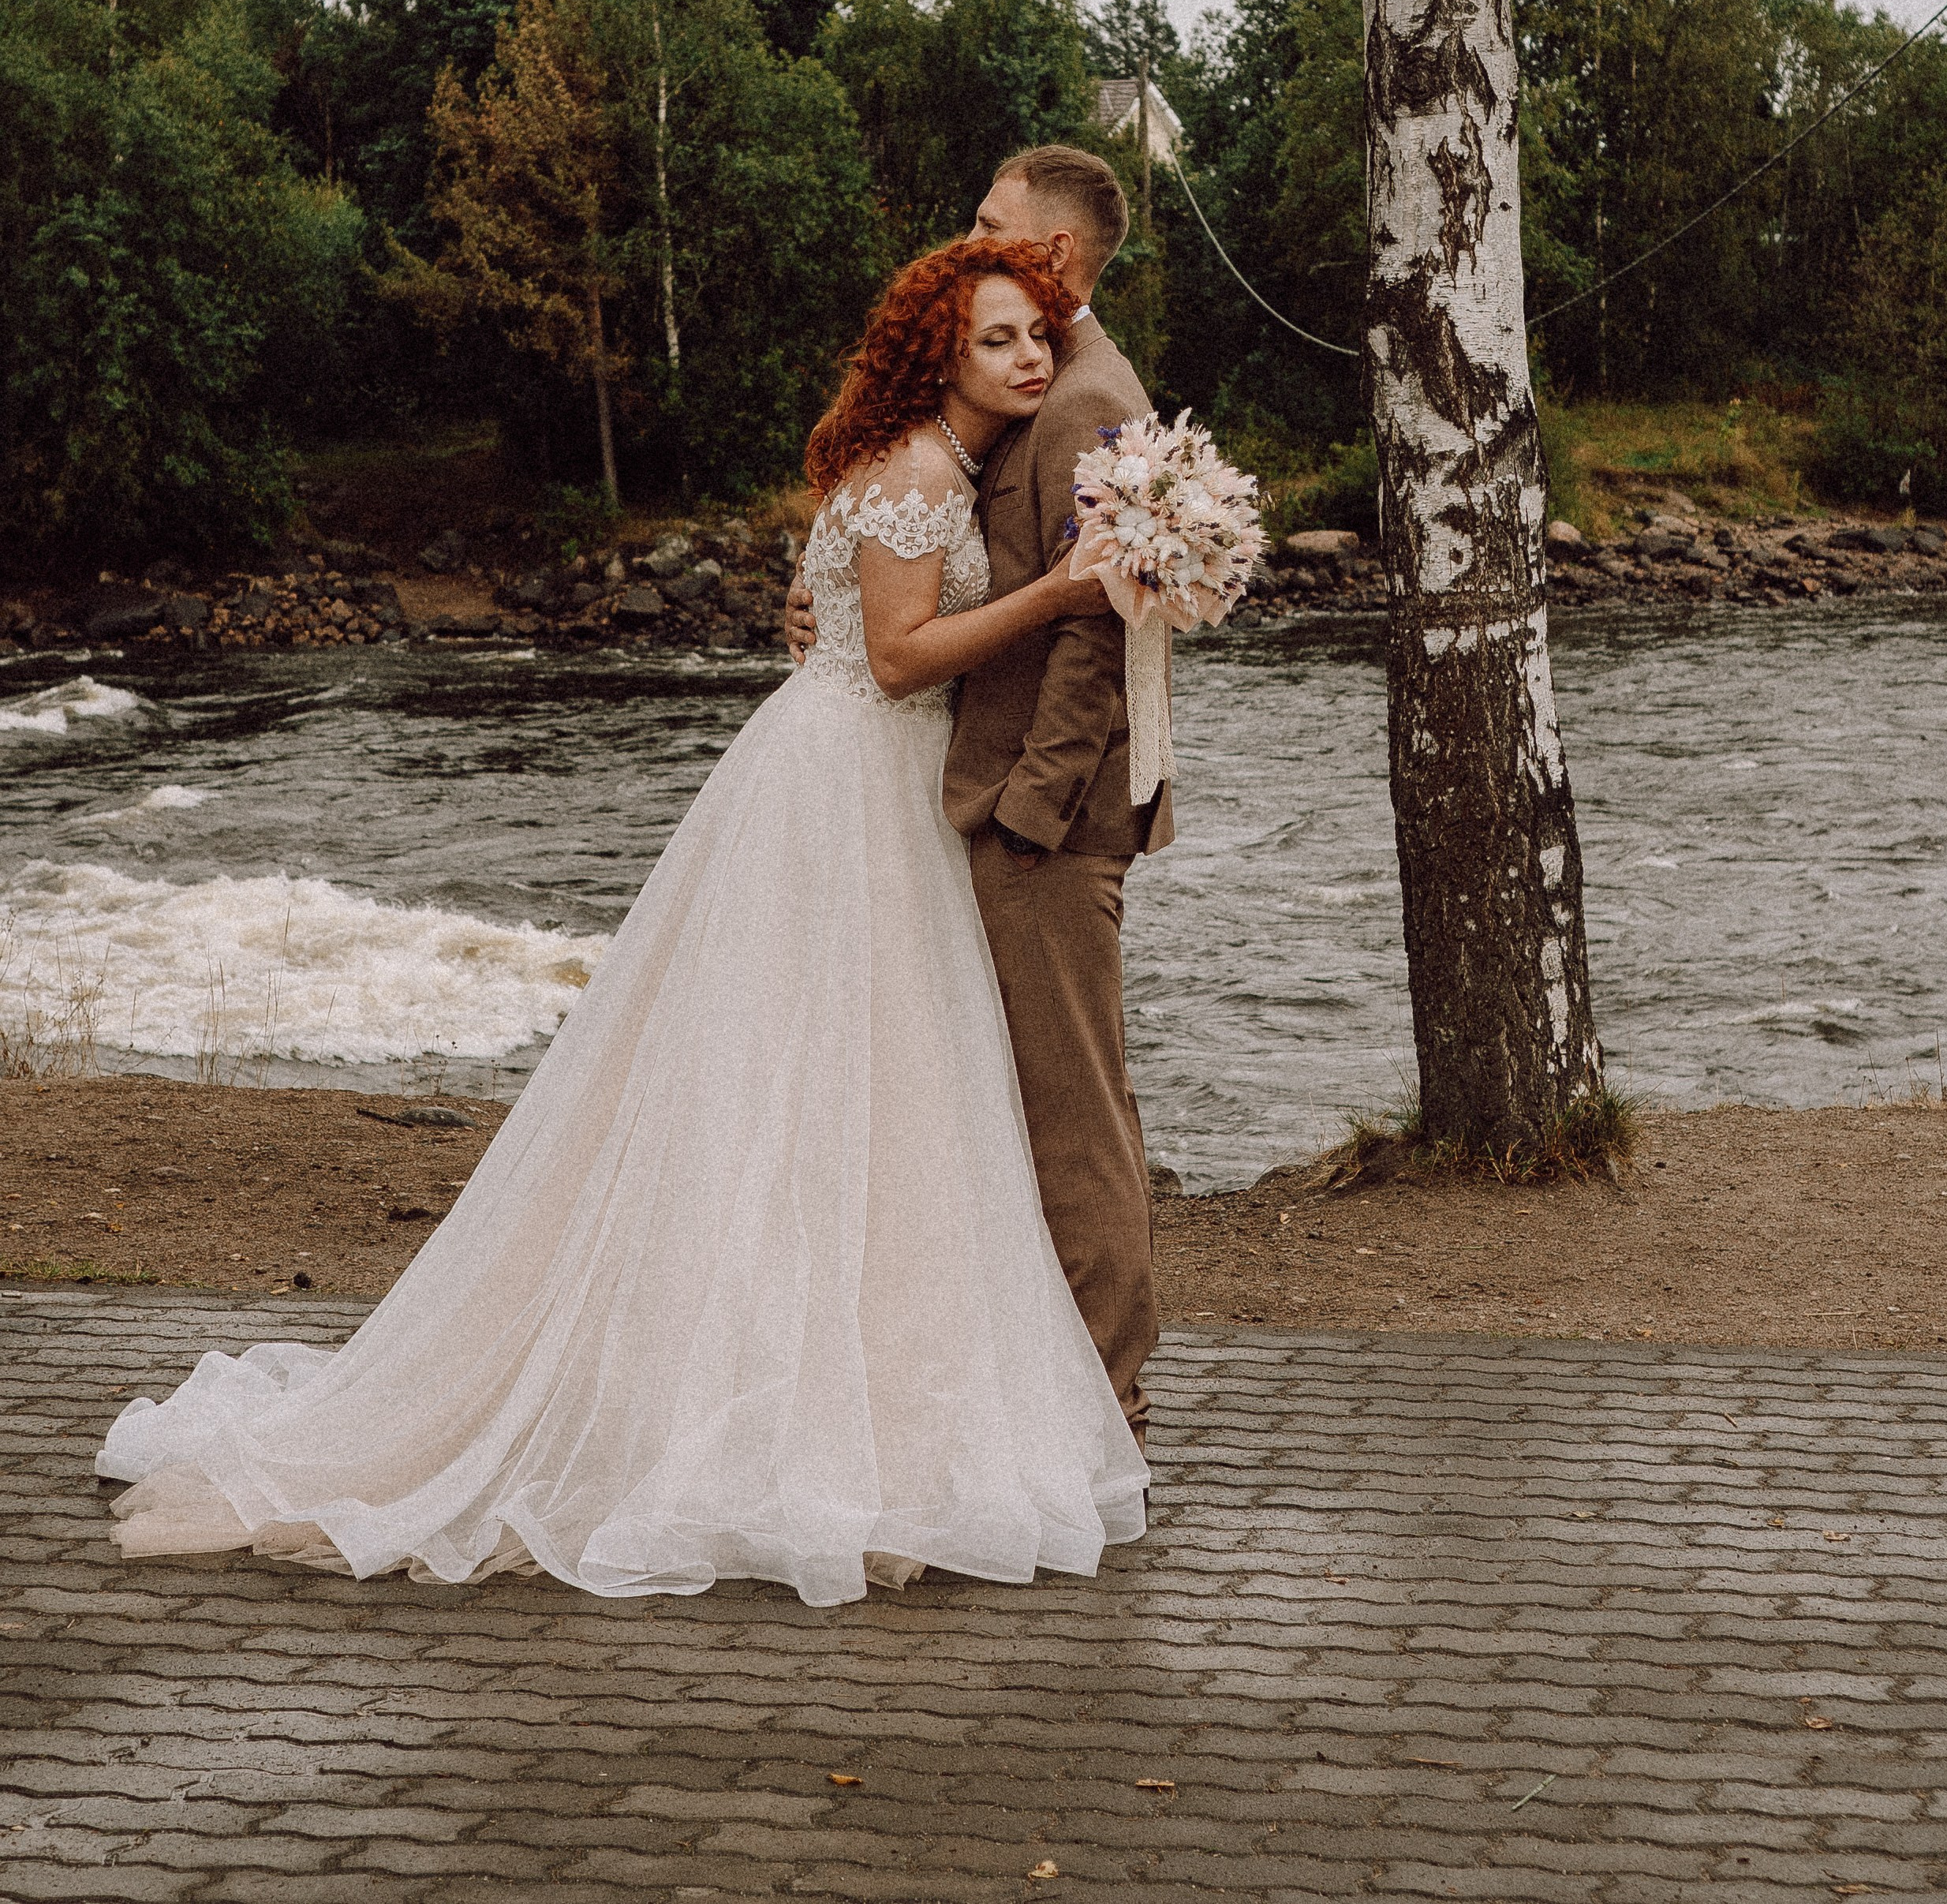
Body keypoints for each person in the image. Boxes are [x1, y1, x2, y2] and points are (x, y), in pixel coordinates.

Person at [96, 238, 1148, 1608]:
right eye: (1000, 338)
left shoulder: (936, 465)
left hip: (865, 784)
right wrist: (1058, 597)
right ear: (939, 354)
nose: (1027, 360)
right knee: (803, 1085)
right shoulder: (908, 473)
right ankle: (758, 1412)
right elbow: (892, 657)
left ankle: (864, 1386)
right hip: (843, 792)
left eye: (1036, 341)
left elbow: (842, 618)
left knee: (873, 1097)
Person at [788, 145, 1168, 1444]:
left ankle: (1105, 1402)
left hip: (1038, 818)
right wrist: (830, 594)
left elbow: (1098, 635)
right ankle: (1043, 1382)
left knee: (1074, 1118)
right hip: (949, 783)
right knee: (1014, 1099)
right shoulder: (1033, 392)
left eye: (990, 223)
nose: (968, 235)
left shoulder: (1079, 406)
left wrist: (1030, 812)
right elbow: (925, 559)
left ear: (1052, 258)